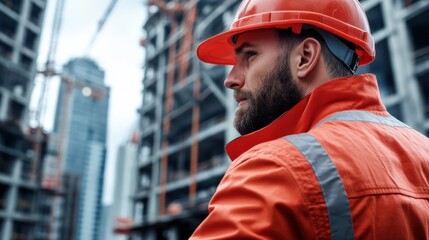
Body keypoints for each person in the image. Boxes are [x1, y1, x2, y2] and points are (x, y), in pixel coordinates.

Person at [190, 0, 429, 239]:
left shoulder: (274, 169)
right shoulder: (423, 152)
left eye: (250, 55)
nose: (230, 79)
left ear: (305, 57)